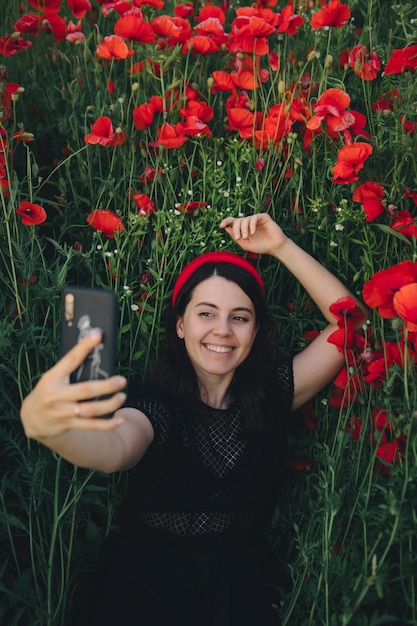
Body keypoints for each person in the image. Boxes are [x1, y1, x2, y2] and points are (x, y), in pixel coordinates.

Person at [20, 213, 367, 626]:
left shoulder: (273, 394)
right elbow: (116, 448)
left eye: (239, 317)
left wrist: (280, 247)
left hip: (238, 592)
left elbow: (350, 323)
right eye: (206, 313)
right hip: (144, 591)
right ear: (181, 325)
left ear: (255, 332)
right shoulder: (156, 405)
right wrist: (55, 430)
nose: (222, 330)